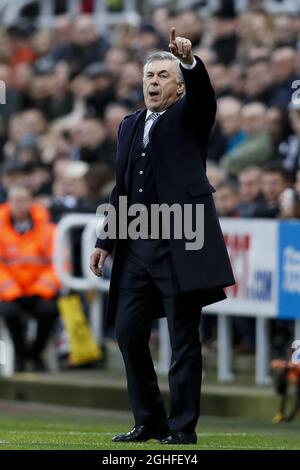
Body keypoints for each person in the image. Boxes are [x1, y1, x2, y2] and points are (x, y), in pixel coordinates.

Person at [90, 28, 235, 445]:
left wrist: (190, 61)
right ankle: (149, 420)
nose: (153, 82)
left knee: (183, 339)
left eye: (162, 76)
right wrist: (105, 242)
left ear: (178, 86)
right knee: (128, 332)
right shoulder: (129, 124)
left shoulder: (191, 115)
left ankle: (182, 427)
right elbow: (120, 189)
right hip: (136, 243)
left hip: (181, 243)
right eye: (148, 76)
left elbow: (206, 97)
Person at [0, 185, 60, 371]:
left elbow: (58, 263)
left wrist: (40, 289)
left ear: (31, 202)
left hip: (39, 290)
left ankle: (34, 353)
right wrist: (11, 290)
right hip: (11, 291)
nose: (19, 204)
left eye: (23, 200)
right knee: (10, 313)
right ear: (9, 202)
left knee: (49, 311)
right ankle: (21, 354)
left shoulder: (49, 230)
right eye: (15, 200)